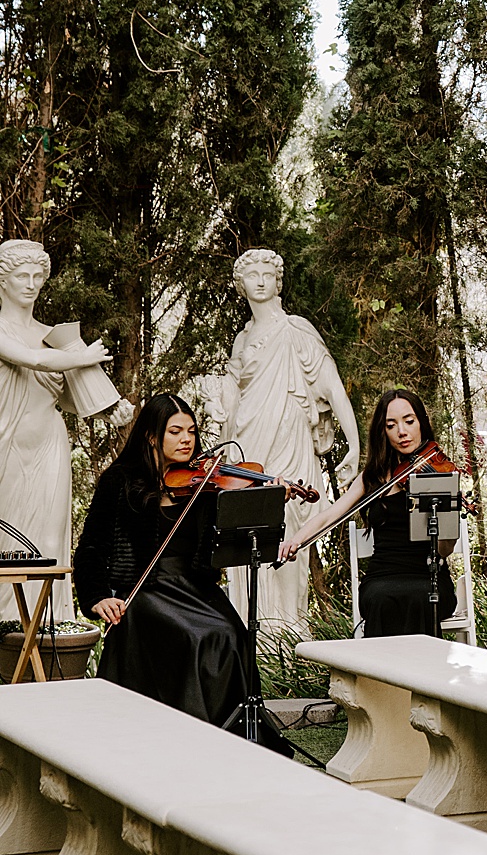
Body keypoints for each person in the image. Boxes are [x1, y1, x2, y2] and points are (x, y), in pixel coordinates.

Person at [75, 395, 251, 728]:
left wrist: (265, 497)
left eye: (191, 431)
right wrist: (98, 595)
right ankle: (188, 732)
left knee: (232, 634)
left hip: (196, 587)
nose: (187, 439)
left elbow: (229, 538)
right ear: (152, 436)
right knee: (199, 637)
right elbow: (91, 546)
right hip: (145, 589)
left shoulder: (202, 482)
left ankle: (231, 736)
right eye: (175, 431)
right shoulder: (121, 481)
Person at [208, 248, 361, 631]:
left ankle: (289, 627)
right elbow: (232, 395)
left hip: (290, 437)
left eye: (267, 273)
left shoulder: (296, 329)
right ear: (240, 286)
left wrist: (355, 444)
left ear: (278, 281)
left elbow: (333, 386)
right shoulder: (242, 340)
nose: (260, 280)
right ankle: (252, 630)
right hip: (248, 444)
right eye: (251, 274)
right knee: (246, 534)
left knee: (289, 526)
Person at [279, 388, 457, 635]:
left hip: (429, 574)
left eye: (409, 421)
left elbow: (444, 551)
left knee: (423, 597)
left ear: (421, 424)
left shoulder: (440, 474)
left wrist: (447, 516)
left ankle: (420, 673)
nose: (402, 432)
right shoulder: (371, 478)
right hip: (382, 576)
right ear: (382, 432)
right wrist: (296, 540)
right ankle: (382, 675)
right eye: (391, 425)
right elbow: (330, 515)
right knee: (382, 598)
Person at [0, 238, 112, 620]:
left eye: (37, 276)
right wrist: (79, 357)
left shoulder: (53, 334)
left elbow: (69, 399)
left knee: (50, 535)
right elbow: (33, 359)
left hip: (49, 442)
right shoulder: (8, 333)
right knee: (9, 536)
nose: (31, 284)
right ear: (3, 281)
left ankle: (49, 621)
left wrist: (111, 407)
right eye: (21, 276)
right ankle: (8, 624)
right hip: (8, 443)